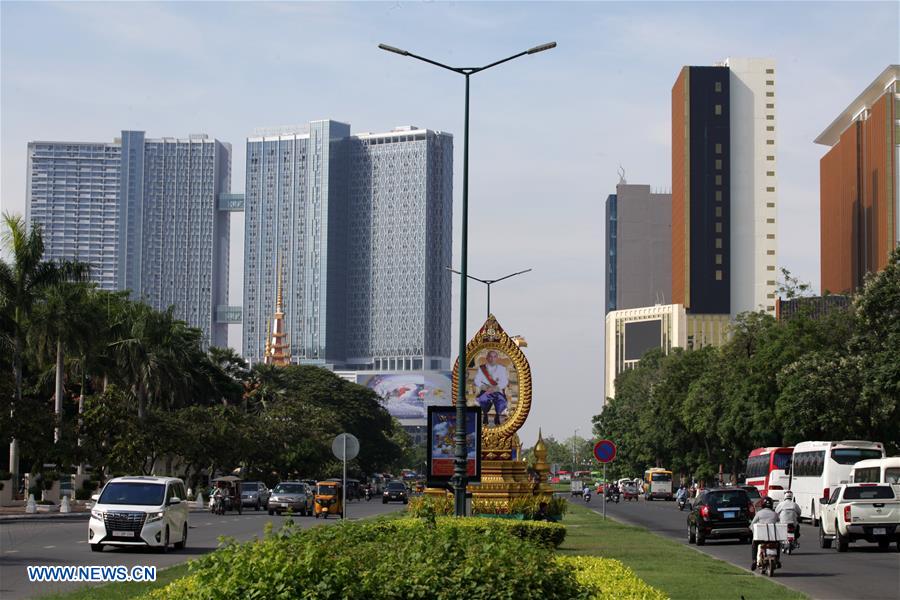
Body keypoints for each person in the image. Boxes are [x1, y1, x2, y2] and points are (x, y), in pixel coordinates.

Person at [473, 350, 510, 426]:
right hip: (486, 391)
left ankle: (497, 415)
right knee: (483, 399)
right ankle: (485, 414)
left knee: (501, 401)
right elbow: (477, 380)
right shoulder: (482, 368)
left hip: (497, 391)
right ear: (487, 358)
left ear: (497, 358)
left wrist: (496, 387)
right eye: (490, 356)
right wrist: (484, 387)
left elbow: (505, 381)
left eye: (494, 357)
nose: (492, 359)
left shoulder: (502, 369)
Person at [749, 496, 780, 570]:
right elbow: (779, 523)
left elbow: (752, 524)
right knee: (778, 544)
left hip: (761, 538)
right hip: (773, 538)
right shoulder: (775, 514)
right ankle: (777, 560)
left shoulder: (759, 513)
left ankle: (754, 560)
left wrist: (753, 531)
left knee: (754, 543)